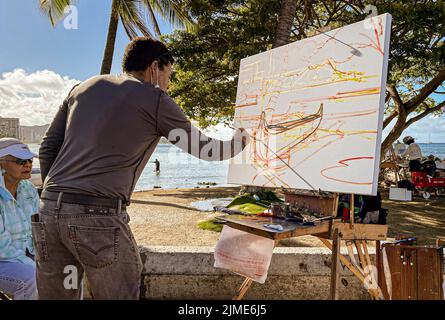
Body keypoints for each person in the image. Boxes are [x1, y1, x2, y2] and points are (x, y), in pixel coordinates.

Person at [37, 37, 249, 300]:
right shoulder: (154, 98)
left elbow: (47, 148)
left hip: (48, 213)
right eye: (168, 74)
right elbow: (206, 149)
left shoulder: (81, 89)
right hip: (97, 216)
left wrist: (57, 200)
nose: (168, 84)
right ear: (154, 67)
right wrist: (241, 141)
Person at [0, 138, 39, 300]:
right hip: (4, 259)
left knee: (68, 268)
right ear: (1, 163)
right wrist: (35, 264)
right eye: (20, 161)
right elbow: (2, 247)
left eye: (29, 159)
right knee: (31, 277)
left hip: (26, 255)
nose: (28, 165)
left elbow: (40, 227)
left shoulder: (28, 188)